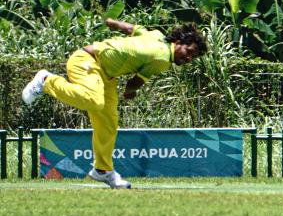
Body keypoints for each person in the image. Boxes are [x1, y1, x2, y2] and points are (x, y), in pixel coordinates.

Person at [22, 18, 208, 189]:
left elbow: (131, 28)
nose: (189, 58)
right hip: (87, 61)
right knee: (93, 101)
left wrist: (113, 23)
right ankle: (46, 81)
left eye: (193, 57)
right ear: (178, 43)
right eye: (189, 52)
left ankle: (103, 170)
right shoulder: (162, 59)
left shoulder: (157, 35)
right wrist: (130, 92)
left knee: (108, 123)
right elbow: (134, 83)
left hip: (106, 75)